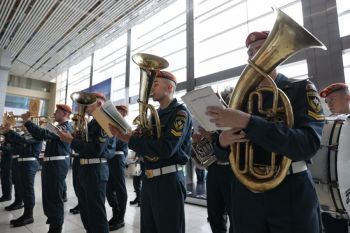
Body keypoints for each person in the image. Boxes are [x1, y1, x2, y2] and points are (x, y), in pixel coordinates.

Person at [206, 31, 325, 233]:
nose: (254, 55)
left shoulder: (300, 89)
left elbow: (307, 145)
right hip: (245, 196)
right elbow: (222, 154)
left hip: (290, 192)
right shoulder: (240, 98)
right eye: (250, 52)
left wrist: (249, 122)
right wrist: (222, 142)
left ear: (277, 54)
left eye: (260, 49)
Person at [109, 70, 193, 233]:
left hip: (168, 180)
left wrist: (129, 139)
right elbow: (147, 144)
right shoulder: (153, 116)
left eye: (155, 84)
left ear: (169, 87)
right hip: (149, 179)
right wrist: (135, 136)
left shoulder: (180, 113)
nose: (151, 89)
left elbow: (167, 149)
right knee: (148, 228)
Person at [59, 92, 115, 233]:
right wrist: (76, 138)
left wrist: (71, 140)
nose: (84, 106)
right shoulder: (92, 122)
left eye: (88, 102)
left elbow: (97, 149)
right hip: (85, 168)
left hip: (95, 169)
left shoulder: (103, 120)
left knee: (96, 214)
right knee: (86, 211)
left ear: (100, 103)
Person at [22, 104, 73, 233]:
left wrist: (27, 122)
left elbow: (42, 134)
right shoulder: (58, 127)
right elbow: (43, 134)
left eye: (57, 111)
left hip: (57, 165)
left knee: (55, 198)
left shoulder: (65, 127)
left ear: (65, 114)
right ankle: (53, 225)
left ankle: (56, 228)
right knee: (49, 197)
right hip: (51, 164)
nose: (54, 113)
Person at [192, 88, 235, 233]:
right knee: (214, 213)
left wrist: (210, 136)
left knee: (234, 213)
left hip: (232, 171)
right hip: (214, 169)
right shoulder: (207, 121)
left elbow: (233, 147)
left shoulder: (234, 117)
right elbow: (203, 158)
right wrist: (197, 142)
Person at [319, 83, 350, 233]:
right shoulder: (326, 128)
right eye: (327, 101)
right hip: (334, 198)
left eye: (332, 99)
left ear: (347, 98)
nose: (329, 104)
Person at [3, 120, 43, 227]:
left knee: (27, 189)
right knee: (22, 188)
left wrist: (11, 130)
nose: (24, 127)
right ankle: (25, 213)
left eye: (27, 125)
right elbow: (16, 143)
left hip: (30, 163)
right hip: (23, 162)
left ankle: (29, 215)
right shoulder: (27, 135)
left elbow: (22, 139)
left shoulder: (36, 135)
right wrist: (7, 132)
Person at [106, 104, 129, 231]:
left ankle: (121, 217)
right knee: (109, 188)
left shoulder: (124, 126)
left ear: (124, 114)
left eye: (120, 112)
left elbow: (122, 141)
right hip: (109, 157)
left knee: (120, 187)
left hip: (118, 156)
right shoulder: (112, 125)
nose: (117, 114)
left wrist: (112, 134)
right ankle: (115, 212)